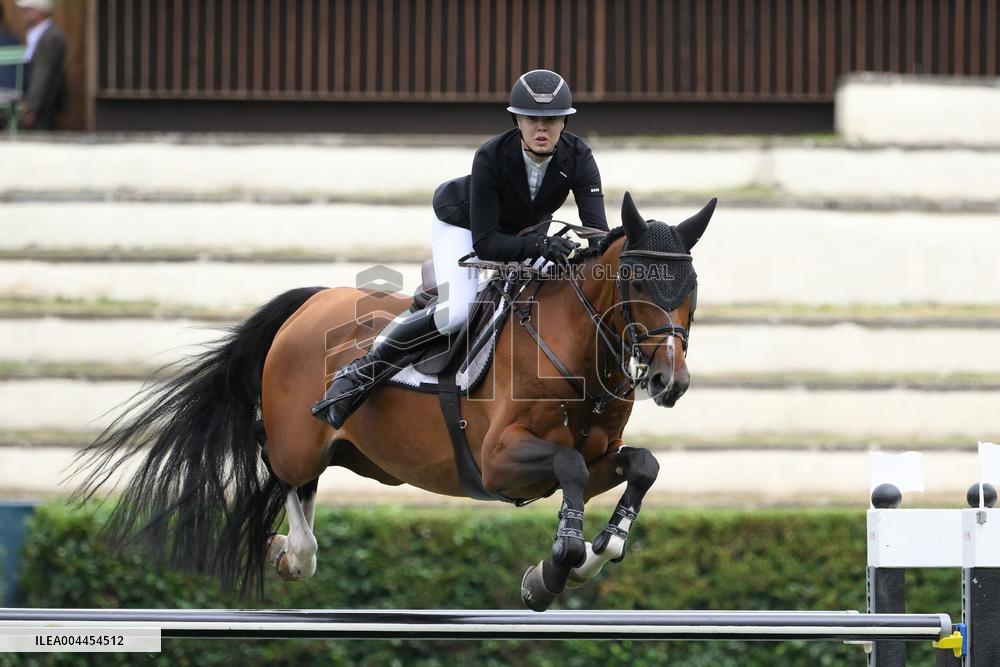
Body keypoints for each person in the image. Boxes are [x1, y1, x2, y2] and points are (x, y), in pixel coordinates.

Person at [313, 69, 610, 429]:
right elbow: (486, 243)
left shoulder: (579, 157)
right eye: (532, 119)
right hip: (465, 226)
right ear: (517, 119)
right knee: (456, 312)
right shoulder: (491, 155)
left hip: (527, 233)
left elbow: (598, 235)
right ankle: (360, 372)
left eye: (551, 119)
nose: (541, 129)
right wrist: (541, 244)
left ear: (565, 121)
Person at [16, 0, 66, 131]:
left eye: (27, 10)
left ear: (38, 11)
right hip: (37, 103)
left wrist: (32, 108)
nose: (23, 15)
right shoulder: (37, 33)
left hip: (44, 105)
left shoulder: (51, 37)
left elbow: (42, 75)